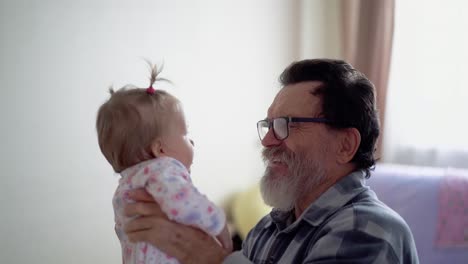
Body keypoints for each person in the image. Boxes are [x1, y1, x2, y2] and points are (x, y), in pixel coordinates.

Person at [123, 59, 420, 263]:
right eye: (269, 125)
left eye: (287, 125)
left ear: (345, 145)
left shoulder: (368, 230)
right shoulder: (269, 227)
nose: (267, 141)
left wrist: (215, 260)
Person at [96, 63, 232, 263]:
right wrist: (219, 224)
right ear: (160, 150)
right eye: (186, 134)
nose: (192, 141)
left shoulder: (126, 187)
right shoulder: (163, 170)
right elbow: (185, 204)